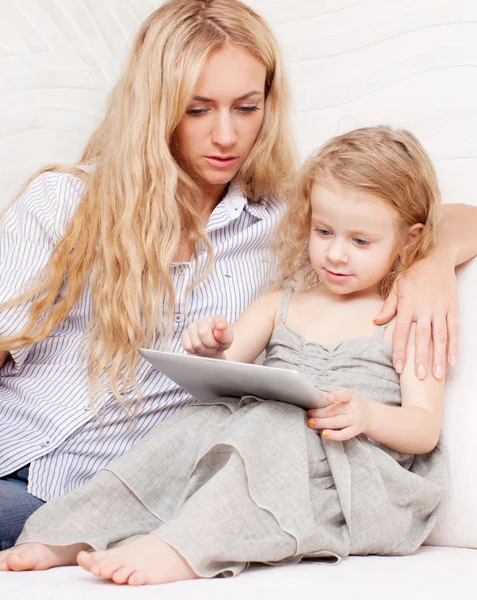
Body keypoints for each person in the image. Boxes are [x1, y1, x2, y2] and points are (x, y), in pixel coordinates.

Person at [0, 0, 476, 550]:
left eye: (245, 108)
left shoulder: (291, 227)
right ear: (155, 107)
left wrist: (431, 262)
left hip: (104, 492)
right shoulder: (66, 199)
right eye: (197, 110)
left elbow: (413, 214)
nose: (225, 136)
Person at [0, 126, 450, 584]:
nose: (335, 254)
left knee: (272, 423)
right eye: (323, 231)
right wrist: (211, 346)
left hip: (347, 477)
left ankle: (181, 549)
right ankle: (69, 532)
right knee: (193, 423)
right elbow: (224, 372)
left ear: (409, 239)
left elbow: (423, 428)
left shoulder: (408, 318)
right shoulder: (281, 302)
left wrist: (368, 415)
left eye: (360, 242)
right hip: (261, 446)